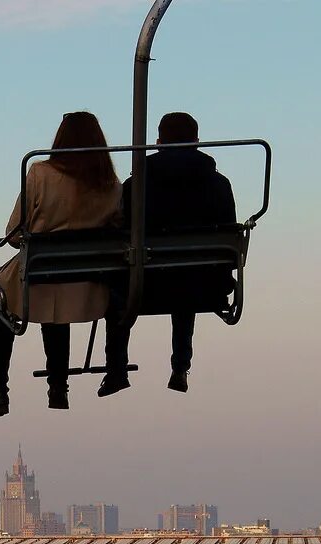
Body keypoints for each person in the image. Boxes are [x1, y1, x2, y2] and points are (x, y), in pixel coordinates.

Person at [0, 111, 122, 418]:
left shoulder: (40, 174)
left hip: (38, 275)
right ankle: (58, 385)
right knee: (56, 303)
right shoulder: (110, 184)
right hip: (86, 287)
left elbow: (15, 233)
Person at [99, 111, 237, 396]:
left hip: (144, 287)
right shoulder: (219, 185)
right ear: (197, 142)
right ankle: (180, 365)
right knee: (186, 279)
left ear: (158, 142)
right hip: (204, 286)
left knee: (121, 291)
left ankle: (116, 369)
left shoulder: (135, 186)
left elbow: (120, 234)